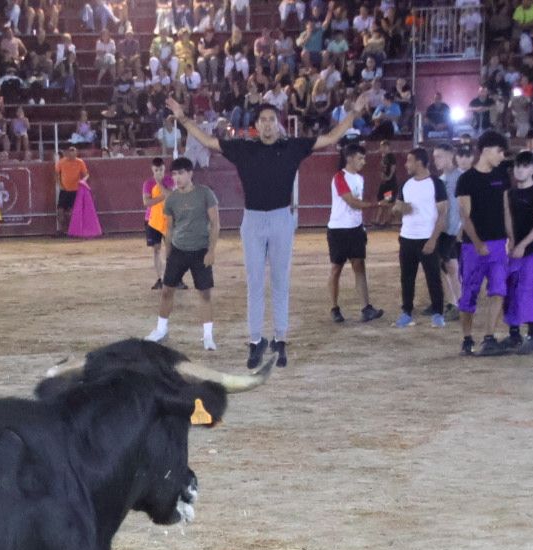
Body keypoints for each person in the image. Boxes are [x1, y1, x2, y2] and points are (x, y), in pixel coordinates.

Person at [166, 90, 374, 369]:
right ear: (256, 124)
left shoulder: (293, 146)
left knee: (279, 282)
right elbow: (207, 140)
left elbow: (333, 137)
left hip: (280, 219)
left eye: (271, 119)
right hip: (252, 221)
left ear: (278, 123)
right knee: (254, 283)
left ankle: (280, 339)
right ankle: (255, 342)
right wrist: (183, 119)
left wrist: (354, 113)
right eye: (262, 119)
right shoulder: (244, 148)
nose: (267, 124)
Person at [144, 156, 220, 352]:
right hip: (178, 250)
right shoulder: (173, 199)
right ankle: (161, 330)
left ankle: (208, 336)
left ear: (190, 174)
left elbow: (215, 223)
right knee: (167, 290)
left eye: (181, 173)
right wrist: (168, 251)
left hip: (200, 250)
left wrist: (211, 250)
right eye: (174, 174)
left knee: (204, 294)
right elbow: (169, 228)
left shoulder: (205, 193)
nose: (177, 178)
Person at [456, 130, 514, 356]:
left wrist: (512, 238)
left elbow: (506, 209)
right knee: (469, 293)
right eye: (500, 152)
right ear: (487, 150)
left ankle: (489, 337)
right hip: (473, 247)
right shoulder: (467, 179)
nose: (502, 156)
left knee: (499, 289)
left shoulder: (501, 175)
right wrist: (478, 243)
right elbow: (465, 216)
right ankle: (467, 338)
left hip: (499, 244)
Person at [326, 141, 384, 323]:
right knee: (337, 268)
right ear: (349, 158)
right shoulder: (339, 177)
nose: (363, 162)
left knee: (359, 266)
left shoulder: (359, 179)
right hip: (339, 230)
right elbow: (352, 202)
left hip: (355, 228)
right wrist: (377, 205)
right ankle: (334, 307)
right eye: (360, 158)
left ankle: (366, 307)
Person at [389, 147, 446, 328]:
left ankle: (438, 313)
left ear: (419, 162)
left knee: (433, 277)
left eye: (409, 161)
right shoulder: (406, 185)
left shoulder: (436, 184)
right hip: (407, 238)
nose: (406, 165)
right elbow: (397, 209)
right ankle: (406, 312)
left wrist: (433, 240)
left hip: (426, 238)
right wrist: (398, 210)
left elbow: (442, 215)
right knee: (407, 277)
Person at [503, 150, 533, 352]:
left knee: (527, 286)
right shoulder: (511, 193)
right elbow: (509, 219)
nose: (519, 171)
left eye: (524, 167)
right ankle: (514, 333)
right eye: (517, 167)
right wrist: (512, 240)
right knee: (511, 286)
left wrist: (522, 244)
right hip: (516, 248)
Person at [435, 142, 470, 320]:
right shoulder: (441, 180)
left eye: (439, 156)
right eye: (434, 157)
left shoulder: (461, 178)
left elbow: (465, 206)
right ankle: (460, 302)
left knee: (440, 264)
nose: (436, 160)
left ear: (450, 156)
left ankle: (453, 303)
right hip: (445, 230)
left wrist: (461, 228)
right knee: (451, 266)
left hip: (453, 230)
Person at [142, 156, 173, 289]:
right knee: (156, 250)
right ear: (152, 170)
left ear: (164, 168)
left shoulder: (169, 180)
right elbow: (146, 203)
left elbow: (171, 196)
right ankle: (160, 278)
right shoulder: (148, 183)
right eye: (156, 170)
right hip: (152, 220)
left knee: (170, 251)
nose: (159, 172)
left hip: (168, 219)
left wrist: (160, 184)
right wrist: (163, 196)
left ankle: (173, 277)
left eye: (161, 169)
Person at [54, 144, 89, 235]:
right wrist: (60, 184)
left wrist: (83, 181)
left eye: (74, 155)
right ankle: (61, 230)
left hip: (75, 190)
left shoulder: (80, 162)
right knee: (60, 210)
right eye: (71, 155)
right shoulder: (62, 162)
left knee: (71, 212)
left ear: (76, 154)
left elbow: (86, 174)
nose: (72, 157)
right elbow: (56, 174)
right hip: (64, 190)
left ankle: (72, 230)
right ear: (68, 154)